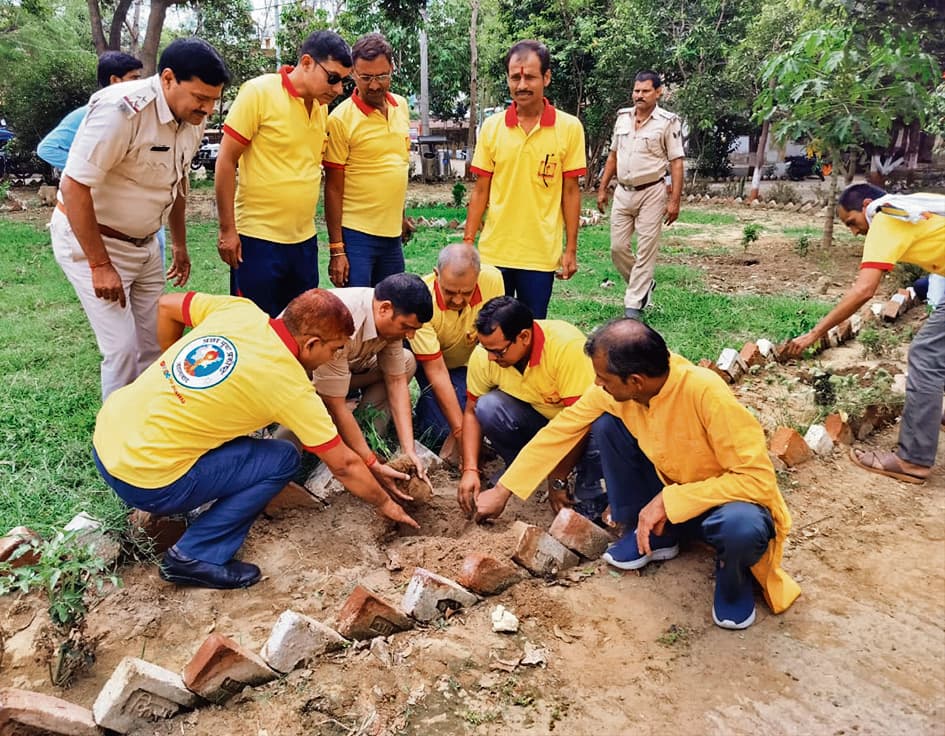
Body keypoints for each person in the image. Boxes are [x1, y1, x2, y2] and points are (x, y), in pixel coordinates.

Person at [476, 319, 801, 630]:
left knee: (742, 526)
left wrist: (668, 500)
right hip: (671, 496)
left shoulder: (706, 393)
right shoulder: (617, 393)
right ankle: (658, 534)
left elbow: (756, 479)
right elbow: (560, 430)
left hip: (726, 504)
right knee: (606, 424)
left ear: (635, 381)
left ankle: (735, 580)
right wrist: (504, 490)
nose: (597, 384)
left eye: (604, 378)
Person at [93, 289, 419, 589]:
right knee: (282, 458)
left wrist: (172, 366)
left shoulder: (240, 310)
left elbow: (166, 305)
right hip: (147, 482)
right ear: (310, 344)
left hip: (106, 439)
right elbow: (345, 465)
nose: (334, 357)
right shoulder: (289, 386)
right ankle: (195, 555)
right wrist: (386, 503)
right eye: (334, 349)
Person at [52, 38, 229, 400]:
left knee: (155, 343)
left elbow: (177, 184)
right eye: (200, 98)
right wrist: (100, 264)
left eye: (214, 100)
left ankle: (146, 424)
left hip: (147, 244)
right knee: (121, 349)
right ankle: (114, 446)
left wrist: (178, 244)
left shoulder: (192, 119)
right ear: (167, 79)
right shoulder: (121, 110)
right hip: (98, 244)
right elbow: (74, 186)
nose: (208, 109)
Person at [786, 184, 945, 484]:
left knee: (925, 355)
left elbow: (864, 290)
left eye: (852, 223)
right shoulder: (912, 207)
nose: (854, 232)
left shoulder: (885, 218)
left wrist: (815, 333)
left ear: (867, 206)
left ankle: (913, 461)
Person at [216, 31, 352, 317]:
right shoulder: (259, 92)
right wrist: (228, 230)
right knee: (255, 326)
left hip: (303, 242)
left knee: (301, 327)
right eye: (333, 78)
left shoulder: (319, 109)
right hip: (257, 239)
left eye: (344, 81)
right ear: (306, 63)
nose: (339, 89)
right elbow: (226, 161)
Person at [462, 39, 586, 319]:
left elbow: (570, 192)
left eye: (529, 77)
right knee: (492, 329)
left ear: (547, 77)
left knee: (532, 329)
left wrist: (571, 250)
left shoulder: (569, 128)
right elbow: (481, 190)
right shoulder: (492, 128)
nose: (521, 85)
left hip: (540, 255)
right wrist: (468, 243)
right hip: (495, 253)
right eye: (515, 77)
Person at [458, 296, 606, 522]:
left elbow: (581, 423)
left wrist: (558, 478)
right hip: (539, 422)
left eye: (498, 351)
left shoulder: (565, 347)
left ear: (524, 337)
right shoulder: (486, 355)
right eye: (485, 348)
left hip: (580, 427)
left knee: (602, 425)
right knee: (488, 407)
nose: (490, 357)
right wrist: (470, 469)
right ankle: (520, 471)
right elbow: (470, 411)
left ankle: (590, 487)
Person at [313, 273, 434, 489]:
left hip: (347, 369)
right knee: (291, 442)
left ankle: (365, 433)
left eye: (415, 329)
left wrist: (409, 451)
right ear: (385, 308)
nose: (410, 336)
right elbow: (335, 403)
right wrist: (371, 463)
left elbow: (396, 381)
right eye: (406, 327)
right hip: (304, 382)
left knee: (405, 362)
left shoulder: (389, 322)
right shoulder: (340, 321)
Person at [324, 33, 412, 287]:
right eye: (365, 77)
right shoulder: (340, 120)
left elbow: (397, 166)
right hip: (357, 237)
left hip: (392, 238)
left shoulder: (402, 107)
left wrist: (401, 216)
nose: (374, 85)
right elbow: (333, 187)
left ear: (392, 69)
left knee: (392, 312)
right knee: (357, 313)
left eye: (381, 76)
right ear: (353, 73)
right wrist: (337, 249)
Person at [596, 71, 684, 320]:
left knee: (646, 248)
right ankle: (644, 284)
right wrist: (603, 188)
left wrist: (674, 200)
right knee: (617, 247)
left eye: (645, 91)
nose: (639, 96)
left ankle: (633, 305)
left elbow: (676, 162)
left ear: (658, 92)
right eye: (636, 91)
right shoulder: (623, 118)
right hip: (623, 191)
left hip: (652, 192)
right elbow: (612, 155)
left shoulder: (668, 122)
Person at [409, 244, 505, 455]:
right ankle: (426, 404)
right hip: (430, 365)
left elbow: (493, 343)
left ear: (478, 277)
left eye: (467, 292)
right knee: (440, 431)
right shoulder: (422, 300)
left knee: (482, 414)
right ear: (437, 275)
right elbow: (435, 369)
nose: (458, 300)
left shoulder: (493, 280)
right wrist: (462, 433)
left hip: (466, 367)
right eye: (449, 292)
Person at [37, 51, 144, 170]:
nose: (139, 83)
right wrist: (84, 172)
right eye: (134, 77)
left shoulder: (131, 112)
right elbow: (47, 149)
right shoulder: (88, 113)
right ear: (114, 80)